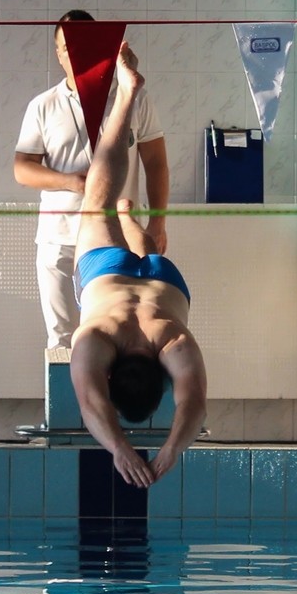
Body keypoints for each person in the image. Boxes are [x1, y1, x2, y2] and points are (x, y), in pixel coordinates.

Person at [70, 43, 205, 489]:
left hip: (164, 281)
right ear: (111, 376)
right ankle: (126, 95)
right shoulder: (95, 339)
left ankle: (129, 220)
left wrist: (172, 449)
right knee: (98, 203)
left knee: (144, 252)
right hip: (106, 278)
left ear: (161, 379)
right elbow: (90, 402)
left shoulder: (173, 340)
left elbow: (194, 404)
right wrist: (120, 449)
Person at [16, 9, 170, 350]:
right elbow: (22, 168)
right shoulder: (44, 106)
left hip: (116, 237)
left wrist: (157, 222)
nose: (74, 55)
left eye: (83, 46)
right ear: (58, 54)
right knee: (63, 341)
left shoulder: (133, 97)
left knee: (121, 336)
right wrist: (68, 181)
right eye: (66, 48)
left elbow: (156, 162)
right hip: (60, 239)